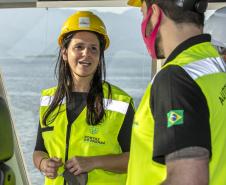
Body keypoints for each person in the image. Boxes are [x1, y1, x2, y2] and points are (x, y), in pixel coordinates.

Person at [126, 0, 226, 185]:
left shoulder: (175, 78)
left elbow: (188, 179)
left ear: (154, 13)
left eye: (143, 13)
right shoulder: (214, 66)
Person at [33, 11, 135, 185]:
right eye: (78, 47)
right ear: (65, 53)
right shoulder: (49, 100)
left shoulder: (120, 102)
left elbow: (134, 159)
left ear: (99, 56)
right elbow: (39, 151)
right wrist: (44, 164)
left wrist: (93, 162)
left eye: (93, 48)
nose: (86, 54)